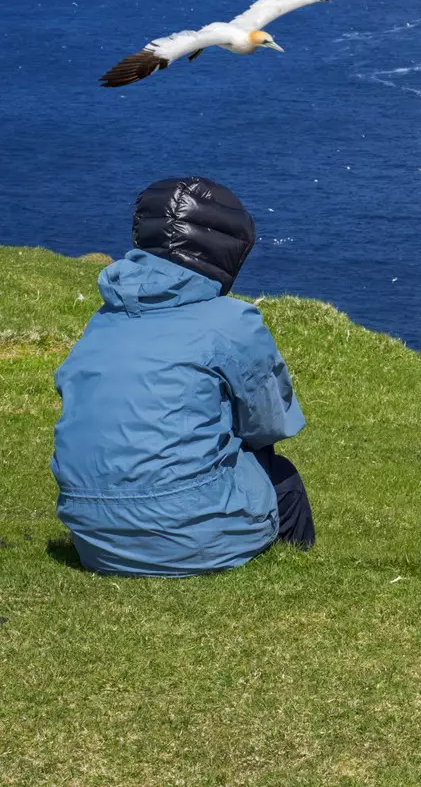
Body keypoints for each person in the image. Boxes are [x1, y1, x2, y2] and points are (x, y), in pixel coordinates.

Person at [51, 177, 314, 576]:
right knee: (283, 479)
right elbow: (270, 426)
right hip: (188, 537)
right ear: (226, 249)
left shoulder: (101, 322)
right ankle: (295, 571)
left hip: (94, 539)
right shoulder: (231, 322)